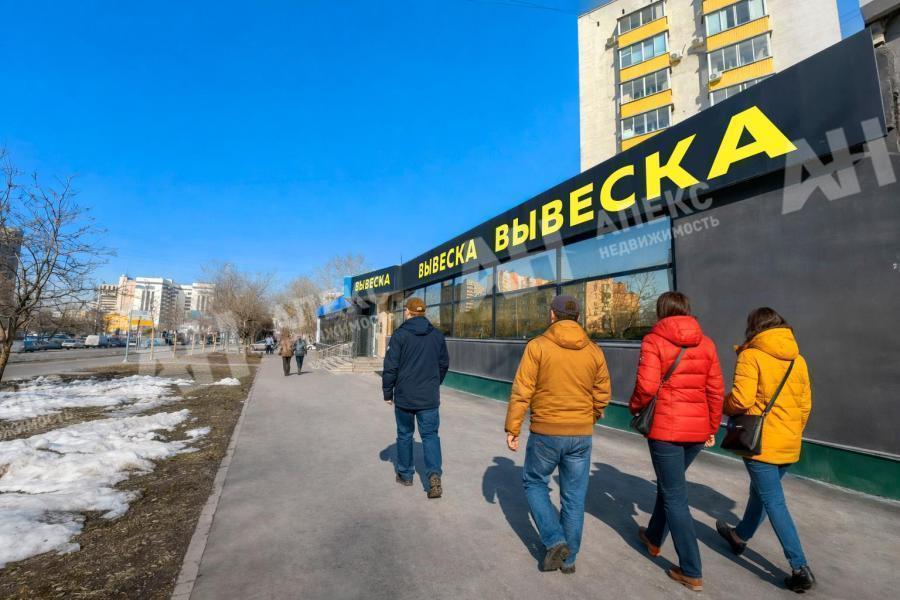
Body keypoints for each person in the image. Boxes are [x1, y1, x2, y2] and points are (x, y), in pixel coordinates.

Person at [505, 295, 611, 574]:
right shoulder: (594, 350)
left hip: (546, 432)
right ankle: (569, 559)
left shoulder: (538, 346)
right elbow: (602, 392)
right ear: (578, 318)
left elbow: (522, 390)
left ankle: (554, 540)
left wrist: (513, 428)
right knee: (574, 497)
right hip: (581, 435)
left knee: (534, 482)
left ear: (552, 315)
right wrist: (590, 416)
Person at [629, 291, 723, 592]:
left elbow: (646, 387)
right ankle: (653, 537)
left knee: (674, 497)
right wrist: (711, 427)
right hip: (696, 431)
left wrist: (635, 408)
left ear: (661, 311)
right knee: (670, 486)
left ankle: (691, 569)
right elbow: (715, 390)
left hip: (666, 431)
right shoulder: (707, 343)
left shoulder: (654, 341)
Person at [716, 307, 814, 593]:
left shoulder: (751, 355)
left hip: (760, 444)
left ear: (754, 327)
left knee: (773, 501)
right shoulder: (798, 359)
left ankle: (799, 567)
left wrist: (721, 404)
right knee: (760, 493)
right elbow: (805, 405)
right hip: (789, 442)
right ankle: (739, 536)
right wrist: (793, 432)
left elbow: (742, 399)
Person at [382, 297, 450, 499]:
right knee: (430, 436)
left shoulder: (400, 335)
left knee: (405, 434)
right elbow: (444, 364)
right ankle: (434, 476)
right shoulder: (437, 335)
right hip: (429, 397)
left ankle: (405, 475)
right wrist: (434, 384)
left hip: (405, 396)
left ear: (408, 312)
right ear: (423, 312)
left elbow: (391, 366)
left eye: (405, 310)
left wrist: (388, 392)